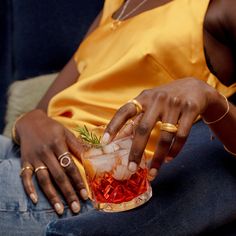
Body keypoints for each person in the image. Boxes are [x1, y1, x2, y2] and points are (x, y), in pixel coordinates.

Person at [1, 0, 236, 235]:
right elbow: (48, 105)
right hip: (29, 150)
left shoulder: (221, 7)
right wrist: (27, 122)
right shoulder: (116, 4)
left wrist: (209, 98)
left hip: (85, 182)